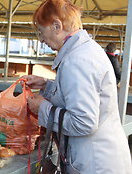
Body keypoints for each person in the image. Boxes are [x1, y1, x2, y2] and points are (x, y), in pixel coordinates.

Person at [23, 0, 132, 173]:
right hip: (101, 156)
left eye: (41, 32)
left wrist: (42, 108)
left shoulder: (78, 60)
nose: (41, 39)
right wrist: (46, 85)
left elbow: (84, 122)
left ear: (57, 26)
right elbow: (77, 94)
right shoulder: (84, 51)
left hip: (95, 163)